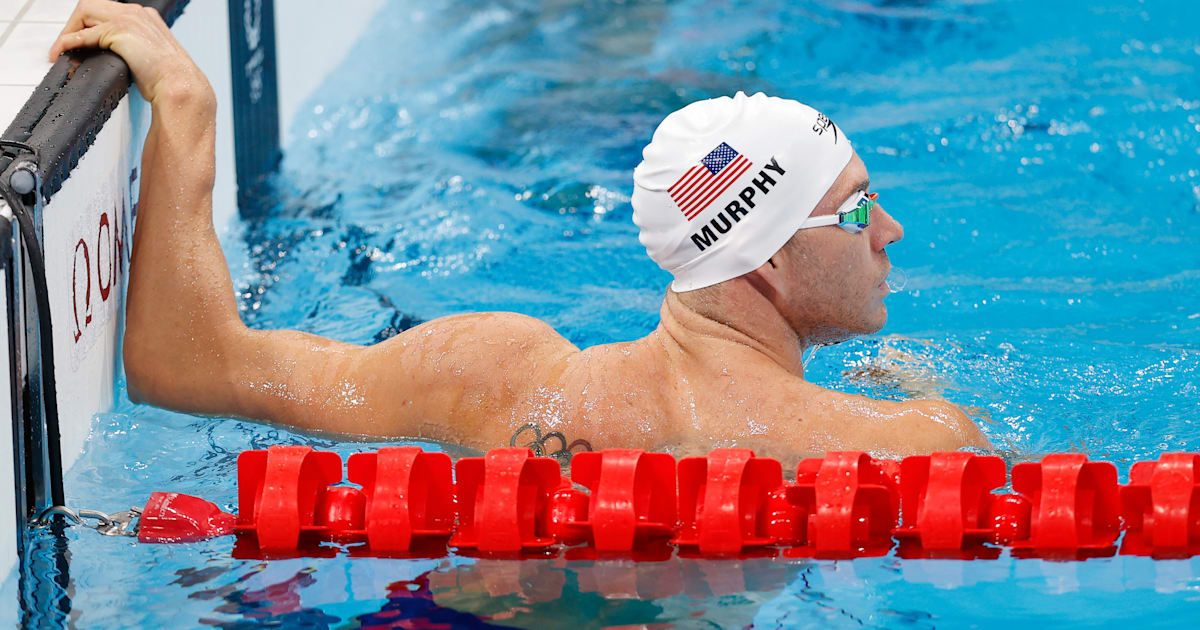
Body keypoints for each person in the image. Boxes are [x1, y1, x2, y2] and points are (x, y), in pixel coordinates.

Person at [50, 0, 989, 464]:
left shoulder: (491, 374)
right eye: (858, 206)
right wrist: (921, 394)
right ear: (769, 258)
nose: (891, 230)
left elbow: (188, 367)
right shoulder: (908, 443)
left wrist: (187, 106)